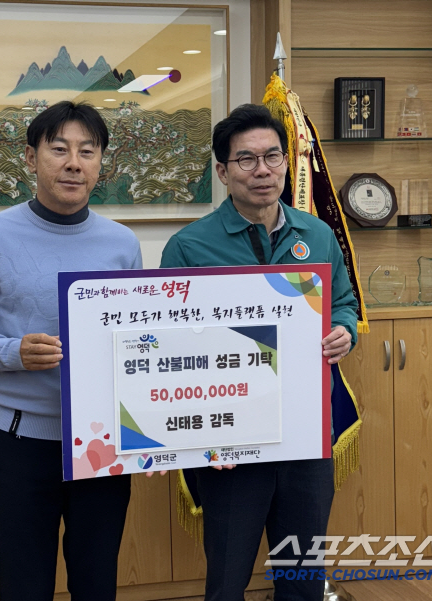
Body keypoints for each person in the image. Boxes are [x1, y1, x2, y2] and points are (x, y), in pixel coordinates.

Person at [0, 101, 142, 601]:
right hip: (21, 445)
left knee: (97, 582)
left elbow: (136, 339)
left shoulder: (122, 243)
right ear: (31, 158)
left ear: (101, 163)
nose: (73, 163)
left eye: (87, 151)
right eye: (59, 149)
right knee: (24, 584)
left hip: (101, 444)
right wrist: (13, 352)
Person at [160, 104, 358, 601]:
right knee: (227, 579)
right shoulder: (189, 247)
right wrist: (199, 436)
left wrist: (344, 330)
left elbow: (344, 303)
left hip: (305, 433)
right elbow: (170, 344)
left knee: (302, 576)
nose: (263, 170)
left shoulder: (317, 235)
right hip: (230, 439)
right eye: (246, 159)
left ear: (286, 163)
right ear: (223, 172)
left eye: (273, 156)